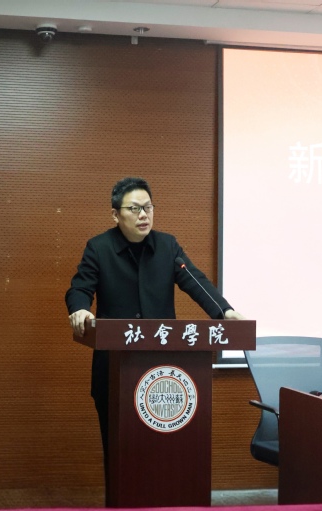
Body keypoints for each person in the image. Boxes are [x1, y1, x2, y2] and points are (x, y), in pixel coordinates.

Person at [65, 177, 243, 486]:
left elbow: (195, 280)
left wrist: (224, 311)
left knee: (164, 448)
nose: (143, 215)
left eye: (148, 207)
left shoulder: (167, 246)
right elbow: (79, 288)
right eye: (134, 209)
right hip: (114, 369)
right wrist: (80, 309)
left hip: (164, 369)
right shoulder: (99, 248)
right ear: (115, 214)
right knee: (119, 450)